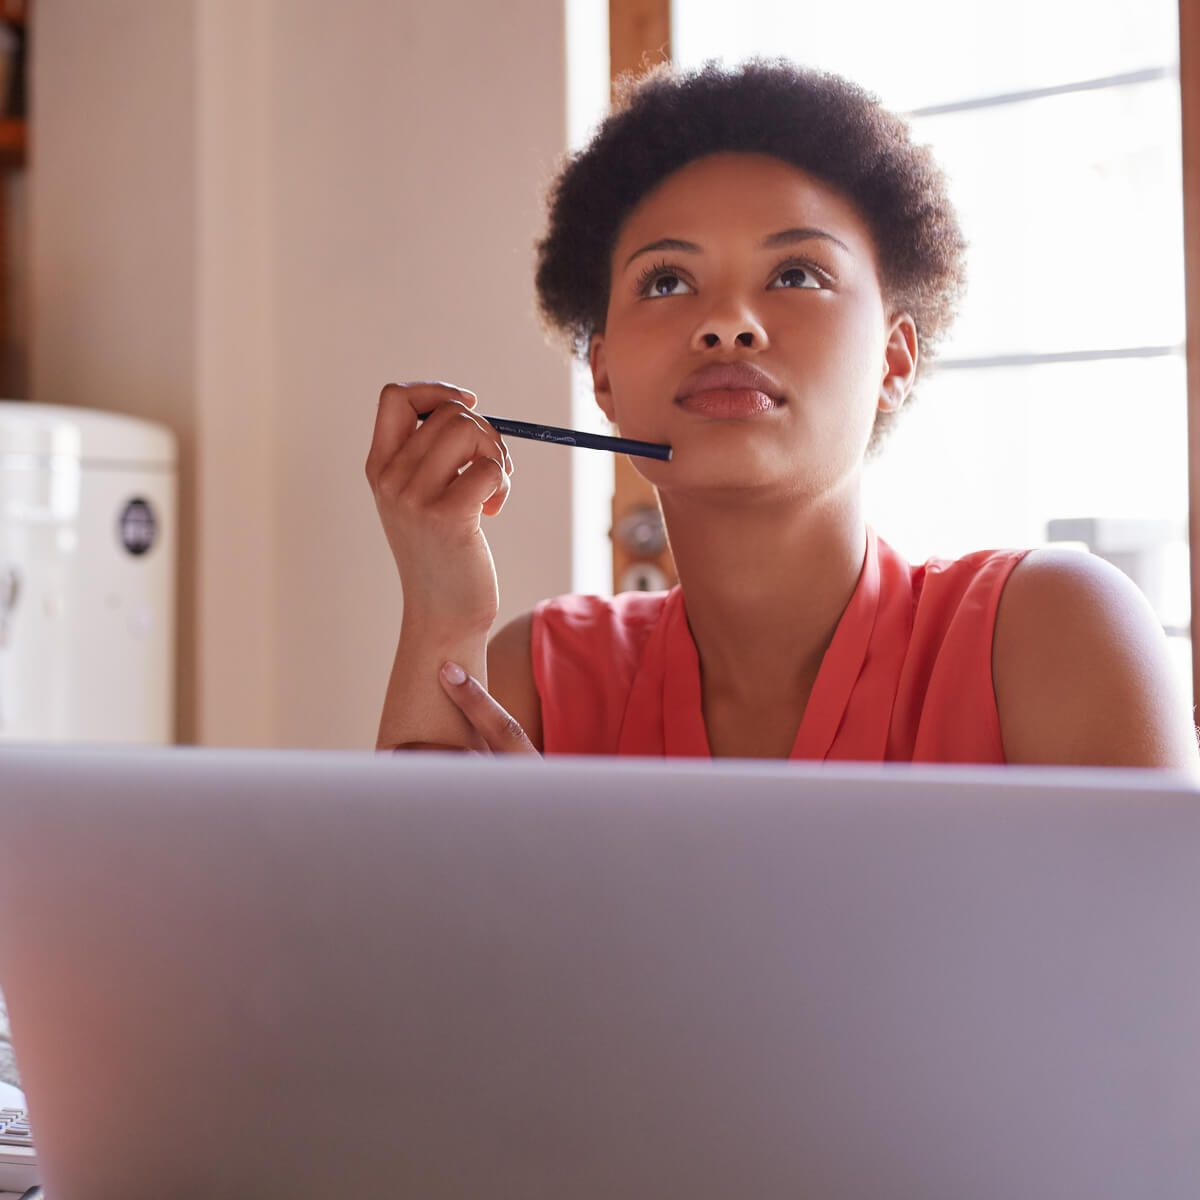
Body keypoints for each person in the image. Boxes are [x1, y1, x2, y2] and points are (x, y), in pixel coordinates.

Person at [365, 57, 1199, 767]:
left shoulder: (1059, 635)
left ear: (894, 358)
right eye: (666, 282)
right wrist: (443, 612)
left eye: (797, 274)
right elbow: (388, 954)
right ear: (605, 374)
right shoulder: (537, 678)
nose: (728, 322)